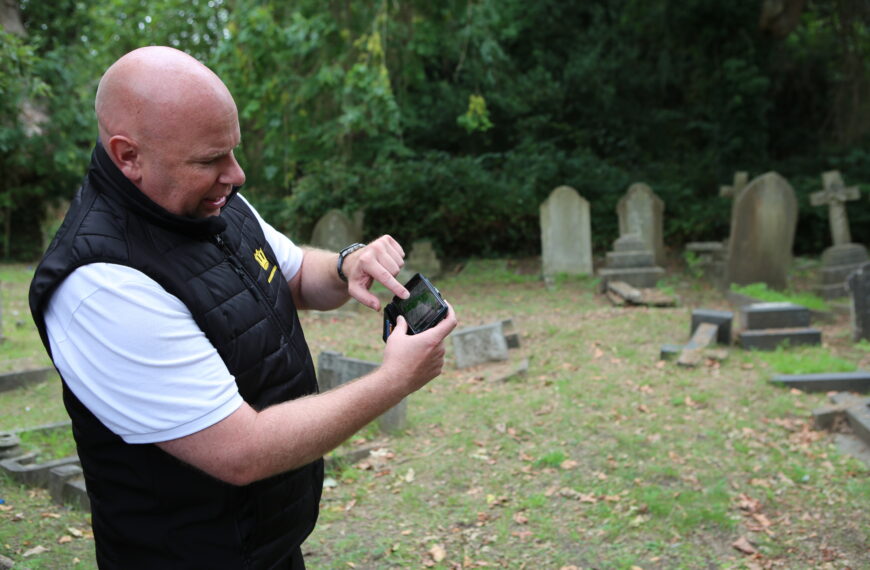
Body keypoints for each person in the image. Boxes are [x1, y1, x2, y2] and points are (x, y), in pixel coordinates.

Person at [28, 45, 457, 569]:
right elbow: (241, 452)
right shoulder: (101, 285)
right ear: (128, 156)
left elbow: (298, 276)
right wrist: (394, 381)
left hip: (267, 548)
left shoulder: (210, 200)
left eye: (232, 150)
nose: (237, 175)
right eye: (210, 159)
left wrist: (348, 265)